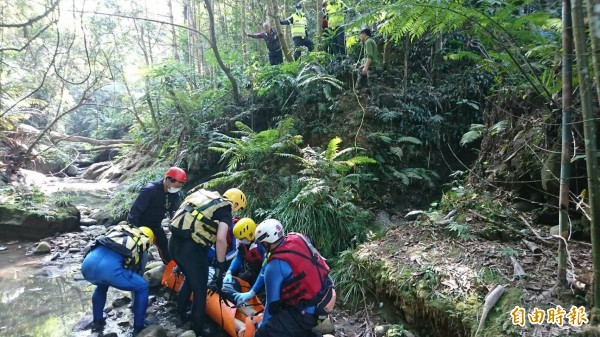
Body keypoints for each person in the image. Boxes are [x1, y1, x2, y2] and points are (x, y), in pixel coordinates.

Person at [168, 187, 247, 336]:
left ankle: (180, 315)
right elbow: (221, 240)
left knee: (190, 280)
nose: (236, 212)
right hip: (190, 249)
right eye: (238, 208)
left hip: (173, 243)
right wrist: (220, 264)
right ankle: (197, 327)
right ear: (235, 204)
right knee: (200, 289)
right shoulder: (225, 211)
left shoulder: (208, 199)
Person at [238, 219, 335, 337]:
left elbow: (272, 306)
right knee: (286, 323)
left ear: (266, 243)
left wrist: (261, 328)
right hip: (326, 295)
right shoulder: (298, 237)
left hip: (308, 312)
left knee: (265, 332)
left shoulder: (274, 266)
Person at [81, 225, 155, 336]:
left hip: (87, 266)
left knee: (101, 286)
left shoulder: (119, 233)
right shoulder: (141, 243)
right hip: (109, 271)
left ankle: (98, 322)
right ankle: (139, 327)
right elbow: (138, 272)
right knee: (142, 286)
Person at [128, 167, 186, 264]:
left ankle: (172, 270)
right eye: (176, 186)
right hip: (140, 226)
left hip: (156, 226)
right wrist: (133, 230)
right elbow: (135, 211)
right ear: (167, 179)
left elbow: (174, 212)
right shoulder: (150, 190)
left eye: (179, 187)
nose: (177, 189)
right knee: (138, 252)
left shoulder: (174, 194)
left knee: (166, 249)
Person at [222, 218, 266, 302]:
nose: (239, 240)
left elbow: (265, 269)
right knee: (238, 282)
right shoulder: (245, 244)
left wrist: (253, 291)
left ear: (250, 234)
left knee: (261, 295)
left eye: (241, 238)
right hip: (253, 271)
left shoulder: (262, 244)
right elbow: (239, 257)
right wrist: (229, 271)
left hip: (265, 273)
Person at [355, 28, 380, 106]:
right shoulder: (370, 41)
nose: (360, 37)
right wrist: (363, 66)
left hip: (372, 67)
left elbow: (370, 57)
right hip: (372, 65)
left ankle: (375, 104)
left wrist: (365, 67)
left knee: (373, 85)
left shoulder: (368, 42)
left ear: (364, 34)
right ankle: (358, 90)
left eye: (360, 35)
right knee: (360, 71)